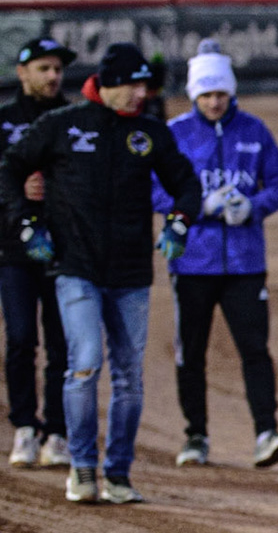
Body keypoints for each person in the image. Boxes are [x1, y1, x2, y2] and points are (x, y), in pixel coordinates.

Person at [0, 42, 200, 505]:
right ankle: (83, 468)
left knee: (129, 374)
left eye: (144, 87)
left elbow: (186, 184)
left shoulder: (150, 133)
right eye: (132, 86)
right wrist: (27, 223)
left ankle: (119, 473)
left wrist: (179, 221)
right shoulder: (62, 125)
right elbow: (10, 168)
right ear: (108, 86)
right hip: (76, 268)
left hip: (131, 273)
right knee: (85, 363)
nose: (140, 95)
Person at [160, 39, 278, 470]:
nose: (215, 102)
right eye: (206, 95)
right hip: (191, 263)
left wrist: (251, 207)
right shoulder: (176, 134)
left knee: (255, 349)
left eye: (221, 94)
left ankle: (266, 434)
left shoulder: (254, 132)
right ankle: (195, 436)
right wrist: (198, 206)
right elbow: (152, 188)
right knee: (191, 353)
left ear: (231, 92)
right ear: (193, 94)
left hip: (245, 263)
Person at [1, 37, 75, 470]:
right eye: (44, 69)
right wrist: (19, 194)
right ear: (22, 72)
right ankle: (25, 426)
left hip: (65, 250)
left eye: (58, 69)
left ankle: (58, 431)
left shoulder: (73, 120)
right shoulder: (4, 121)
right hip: (12, 248)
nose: (53, 77)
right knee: (21, 339)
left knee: (63, 345)